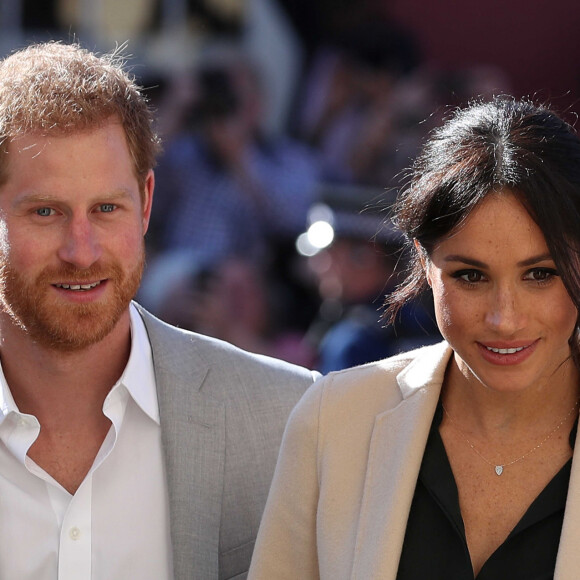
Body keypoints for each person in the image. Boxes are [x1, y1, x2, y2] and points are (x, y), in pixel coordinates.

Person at [0, 41, 318, 580]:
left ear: (146, 203)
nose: (82, 250)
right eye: (46, 211)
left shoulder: (285, 421)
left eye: (106, 209)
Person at [248, 96, 580, 579]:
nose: (504, 318)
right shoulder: (335, 421)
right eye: (471, 276)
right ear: (424, 263)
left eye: (540, 275)